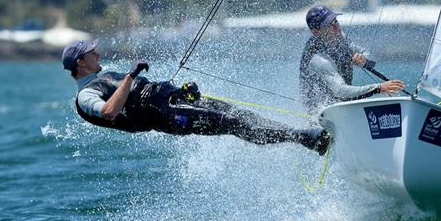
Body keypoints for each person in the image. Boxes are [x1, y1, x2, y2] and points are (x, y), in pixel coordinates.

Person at [63, 40, 330, 155]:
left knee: (238, 114)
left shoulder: (105, 73)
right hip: (167, 116)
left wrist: (181, 92)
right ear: (81, 61)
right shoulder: (86, 95)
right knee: (232, 123)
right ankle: (305, 139)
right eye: (91, 52)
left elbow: (145, 91)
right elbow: (110, 111)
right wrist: (130, 76)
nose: (97, 53)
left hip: (171, 100)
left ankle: (303, 135)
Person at [299, 5, 405, 111]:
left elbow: (372, 59)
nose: (337, 27)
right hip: (322, 113)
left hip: (344, 106)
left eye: (335, 21)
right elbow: (340, 91)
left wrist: (364, 60)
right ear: (316, 32)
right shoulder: (318, 59)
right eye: (329, 25)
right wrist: (378, 88)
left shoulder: (341, 37)